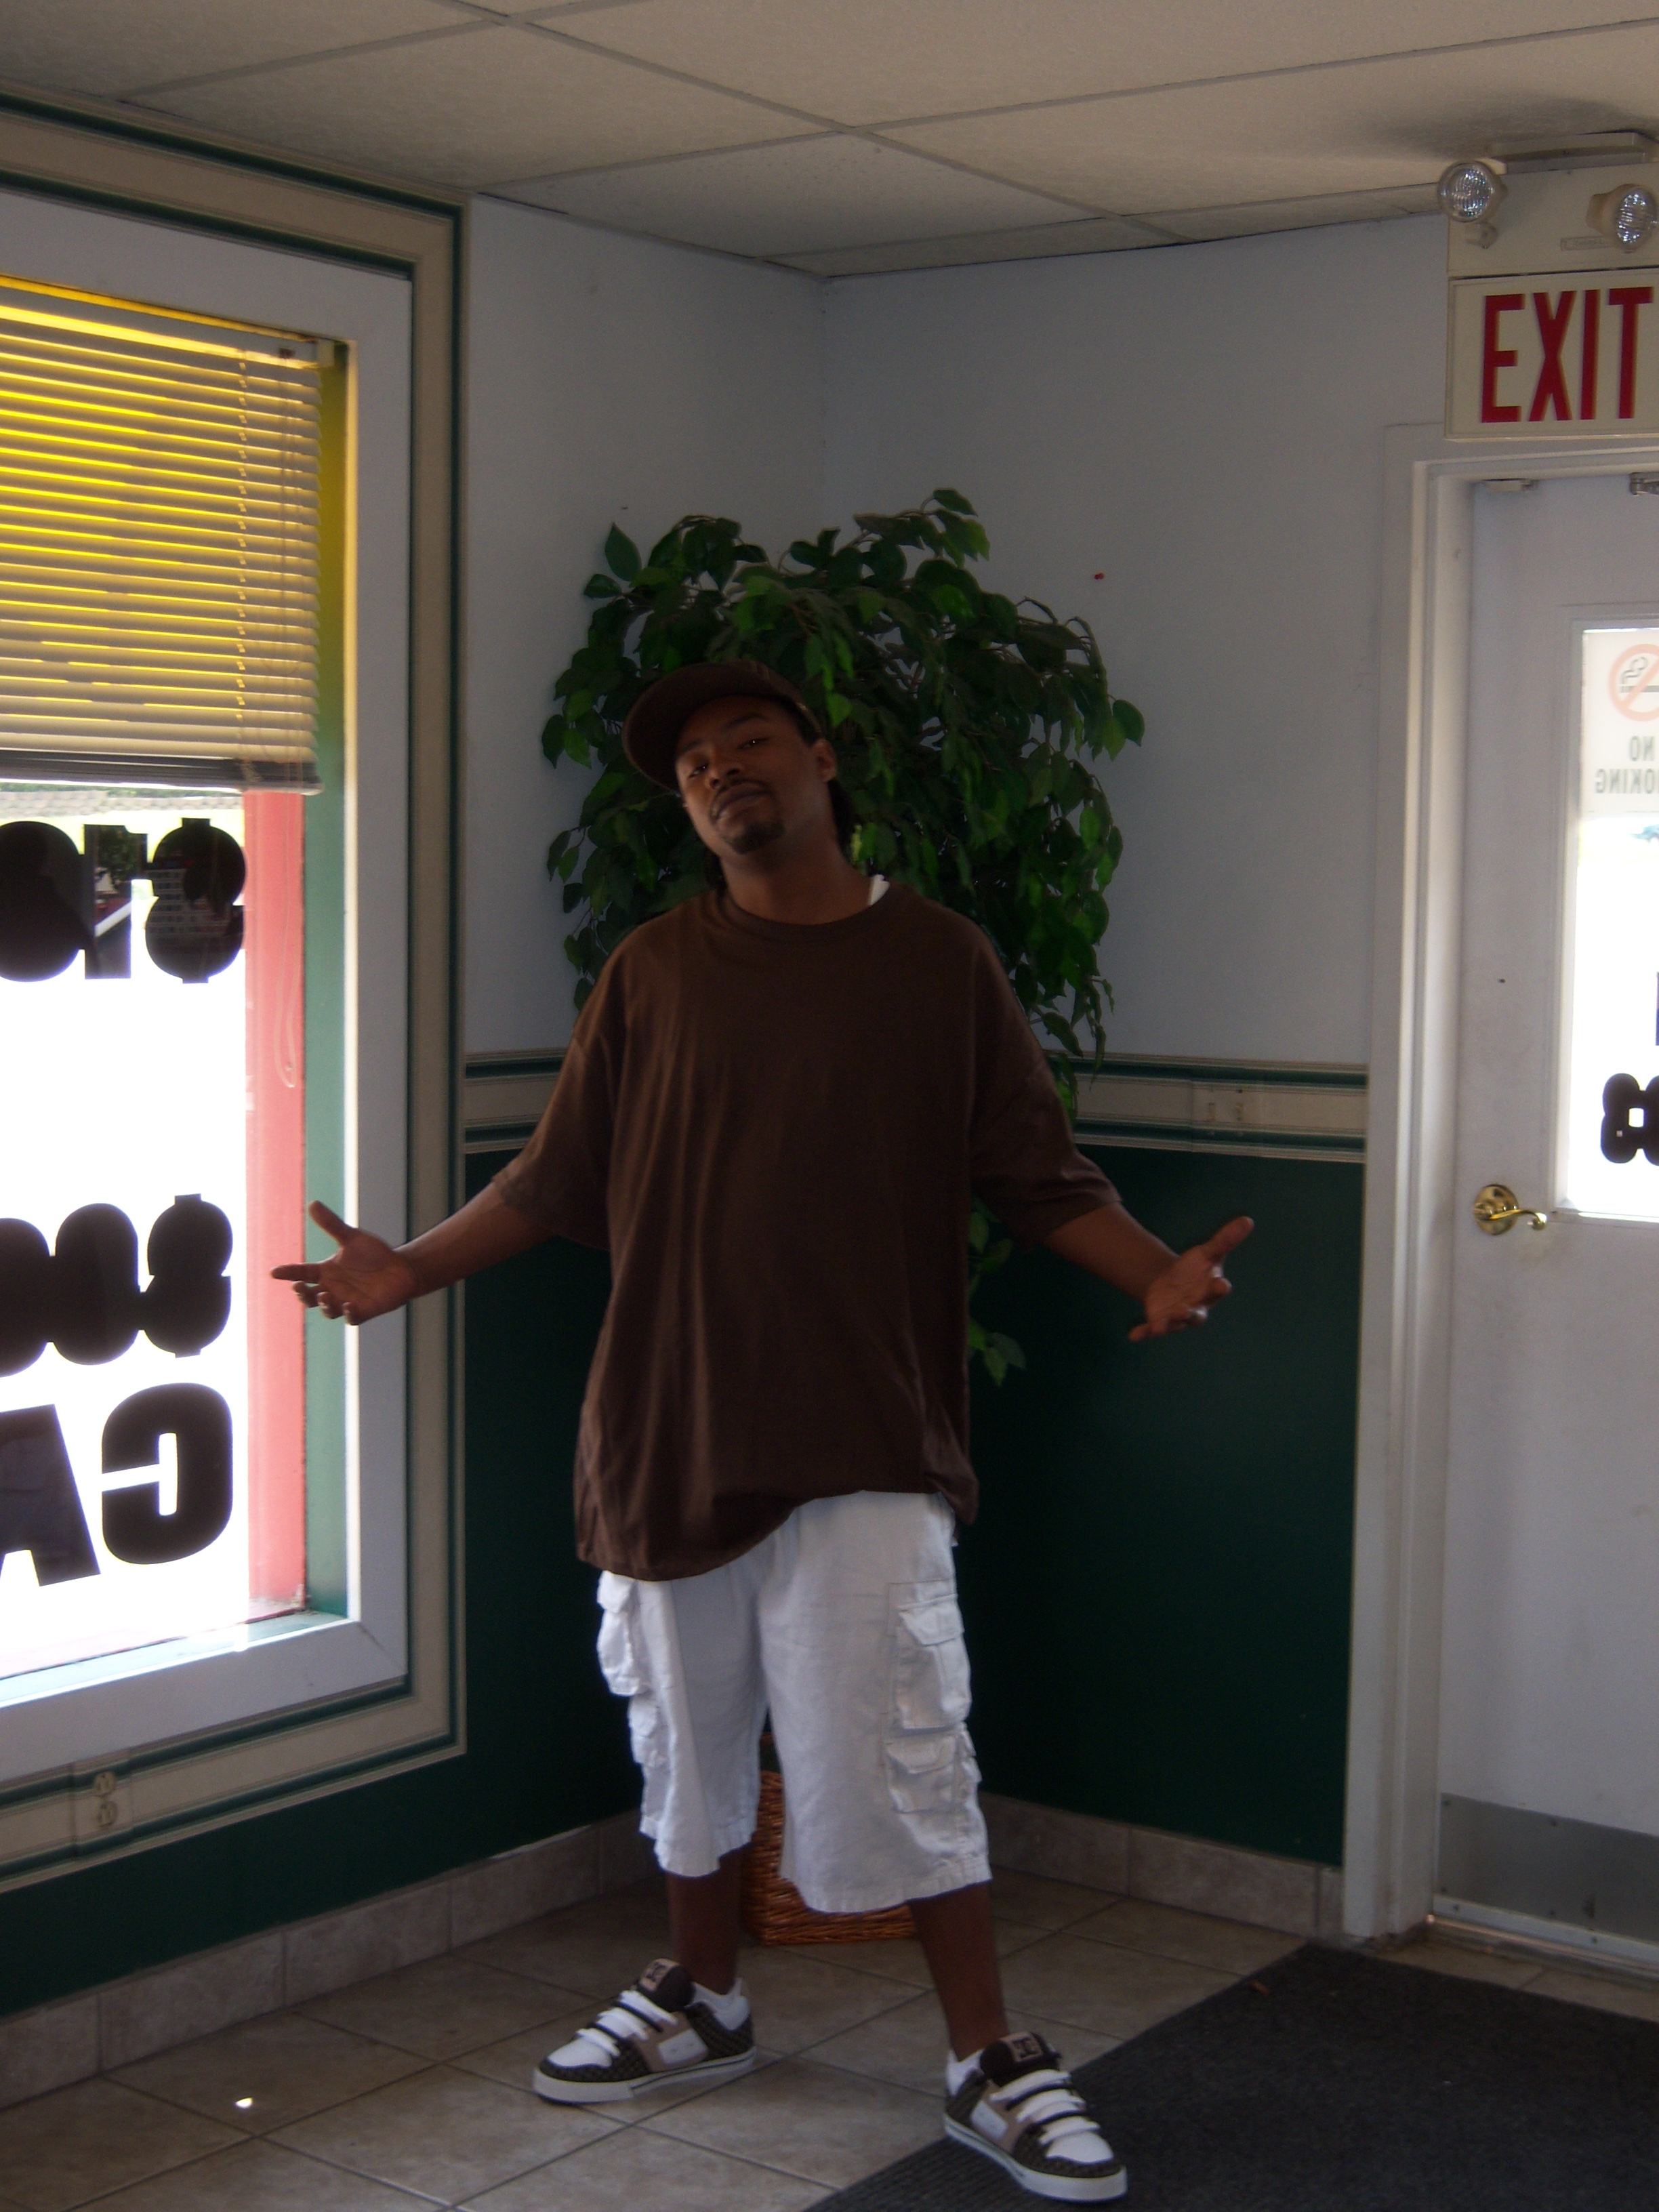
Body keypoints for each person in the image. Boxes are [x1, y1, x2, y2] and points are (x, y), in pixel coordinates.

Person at [276, 661, 1251, 2203]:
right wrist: (410, 1271)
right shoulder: (652, 970)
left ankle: (988, 2056)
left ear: (822, 757)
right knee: (683, 1742)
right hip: (664, 1427)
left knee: (903, 1748)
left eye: (750, 743)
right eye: (693, 768)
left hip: (864, 1431)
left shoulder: (939, 961)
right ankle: (702, 2001)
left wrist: (1153, 1273)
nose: (722, 772)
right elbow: (549, 1179)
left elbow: (1036, 1171)